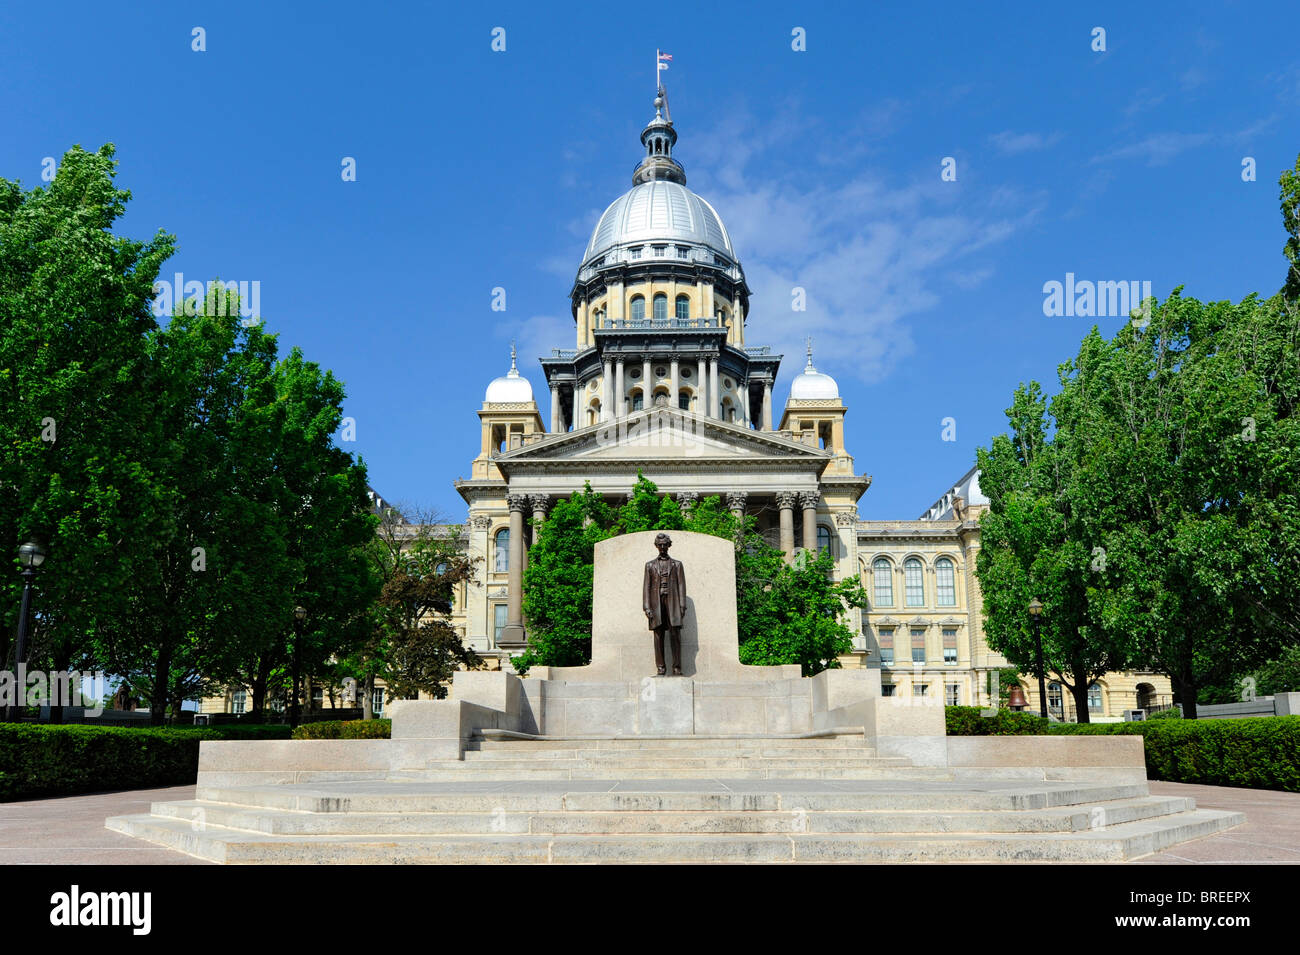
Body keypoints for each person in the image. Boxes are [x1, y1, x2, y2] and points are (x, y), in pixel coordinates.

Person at [642, 532, 686, 675]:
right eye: (659, 545)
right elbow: (646, 587)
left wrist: (682, 606)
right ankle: (661, 668)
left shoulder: (677, 564)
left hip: (673, 602)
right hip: (656, 603)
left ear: (669, 545)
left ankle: (677, 667)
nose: (662, 547)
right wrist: (647, 607)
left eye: (665, 545)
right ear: (656, 546)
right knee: (658, 635)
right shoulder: (649, 565)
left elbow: (681, 585)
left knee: (675, 634)